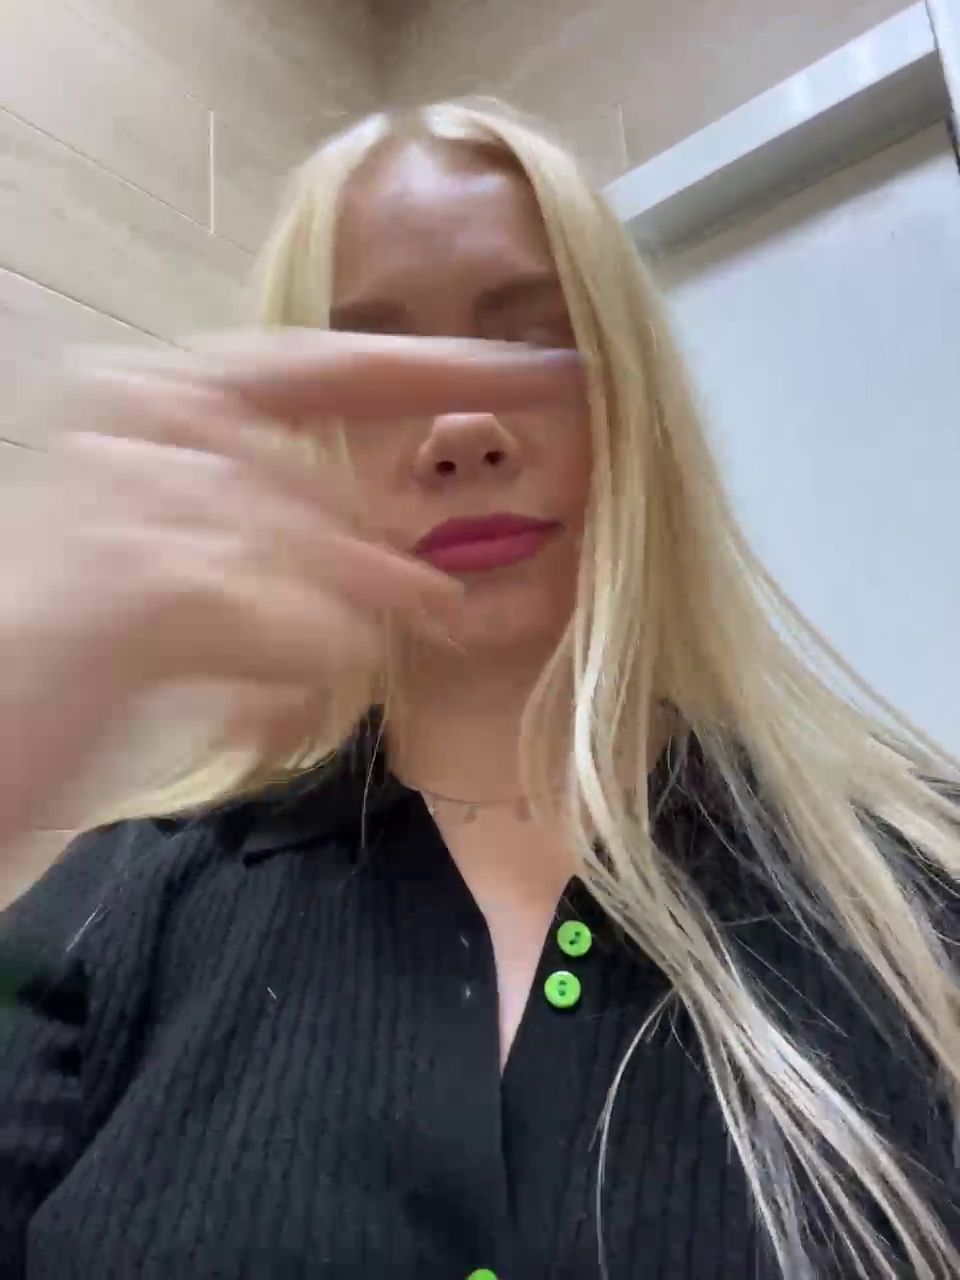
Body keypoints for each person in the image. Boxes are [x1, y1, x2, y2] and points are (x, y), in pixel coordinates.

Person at [0, 99, 957, 1280]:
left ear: (634, 402)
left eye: (530, 345)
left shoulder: (920, 891)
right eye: (376, 371)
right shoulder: (118, 909)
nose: (460, 429)